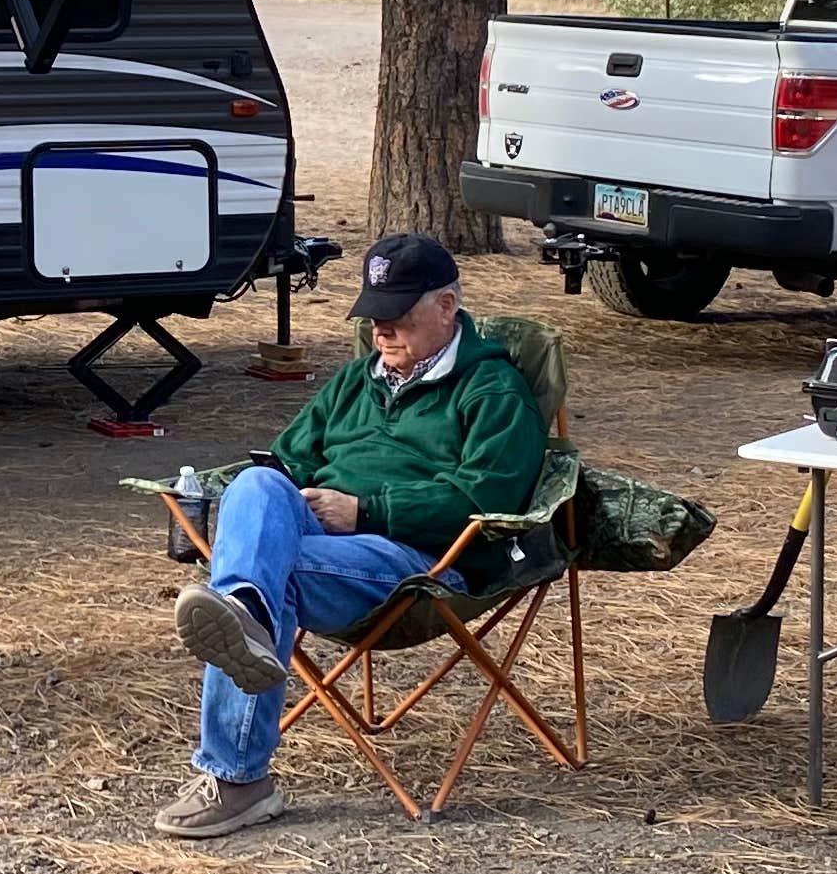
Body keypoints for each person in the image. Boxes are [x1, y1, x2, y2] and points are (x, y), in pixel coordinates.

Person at [153, 232, 552, 839]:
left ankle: (238, 776)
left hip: (423, 561)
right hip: (323, 538)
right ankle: (247, 613)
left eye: (396, 316)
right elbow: (288, 460)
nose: (381, 332)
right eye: (373, 317)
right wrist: (273, 500)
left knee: (272, 575)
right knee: (256, 487)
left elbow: (487, 499)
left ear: (446, 307)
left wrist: (365, 510)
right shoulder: (354, 382)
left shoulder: (493, 391)